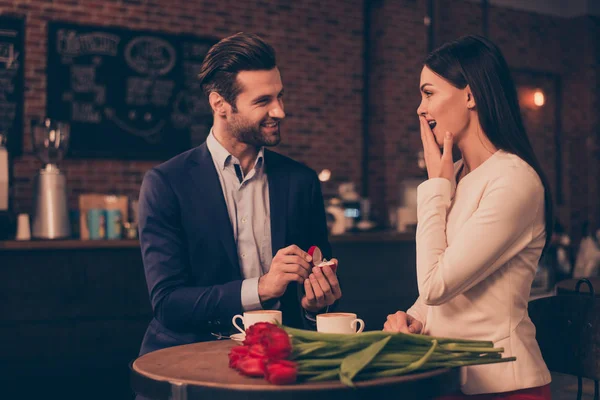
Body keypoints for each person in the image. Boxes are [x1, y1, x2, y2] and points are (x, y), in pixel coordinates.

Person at [137, 32, 342, 359]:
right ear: (219, 104)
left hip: (279, 362)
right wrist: (262, 288)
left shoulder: (301, 181)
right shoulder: (165, 183)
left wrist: (315, 303)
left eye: (279, 96)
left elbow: (315, 293)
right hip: (189, 360)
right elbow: (169, 304)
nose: (280, 111)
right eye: (263, 101)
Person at [383, 35, 553, 399]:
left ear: (470, 95)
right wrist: (413, 318)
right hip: (449, 379)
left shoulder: (514, 181)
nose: (419, 108)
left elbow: (435, 285)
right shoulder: (455, 175)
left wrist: (433, 187)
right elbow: (439, 294)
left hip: (504, 386)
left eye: (428, 93)